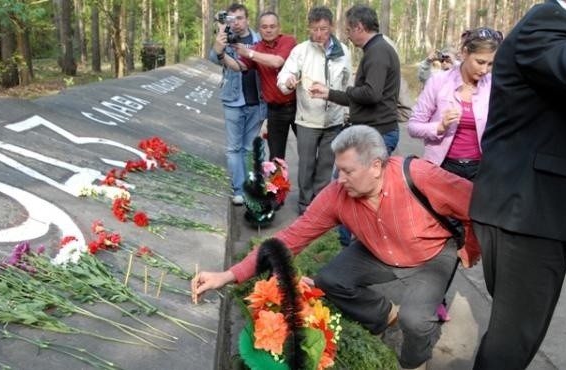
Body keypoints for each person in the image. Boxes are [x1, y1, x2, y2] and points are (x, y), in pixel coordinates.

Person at [193, 125, 481, 370]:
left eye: (347, 171)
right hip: (378, 251)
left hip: (429, 256)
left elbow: (477, 205)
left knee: (416, 321)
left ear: (376, 166)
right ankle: (383, 314)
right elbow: (289, 238)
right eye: (338, 170)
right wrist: (227, 275)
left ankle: (414, 361)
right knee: (329, 280)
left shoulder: (418, 175)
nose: (340, 179)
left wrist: (471, 248)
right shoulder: (337, 195)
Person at [469, 1, 566, 369]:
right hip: (528, 210)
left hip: (533, 211)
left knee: (514, 336)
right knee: (511, 345)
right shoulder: (547, 22)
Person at [276, 6, 352, 215]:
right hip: (307, 119)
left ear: (332, 26)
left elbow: (348, 83)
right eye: (315, 29)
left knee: (326, 166)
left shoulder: (344, 51)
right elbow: (283, 77)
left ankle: (319, 207)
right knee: (307, 165)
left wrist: (347, 113)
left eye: (324, 29)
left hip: (334, 120)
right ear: (309, 28)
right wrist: (288, 82)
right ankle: (304, 206)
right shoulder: (300, 51)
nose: (319, 34)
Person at [409, 27, 503, 180]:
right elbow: (413, 127)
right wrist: (439, 127)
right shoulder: (438, 82)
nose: (485, 70)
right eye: (480, 62)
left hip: (482, 171)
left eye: (491, 64)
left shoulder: (494, 85)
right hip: (442, 168)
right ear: (465, 53)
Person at [308, 4, 401, 154]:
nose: (348, 36)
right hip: (370, 131)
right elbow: (360, 98)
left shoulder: (378, 52)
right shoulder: (375, 49)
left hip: (377, 133)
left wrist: (350, 90)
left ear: (359, 27)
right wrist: (328, 93)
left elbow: (371, 94)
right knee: (345, 174)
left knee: (353, 176)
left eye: (349, 31)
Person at [220, 12, 297, 161]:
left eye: (272, 26)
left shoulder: (288, 41)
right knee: (276, 157)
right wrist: (221, 54)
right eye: (264, 27)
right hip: (274, 110)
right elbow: (238, 66)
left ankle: (311, 184)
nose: (268, 30)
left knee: (307, 152)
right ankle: (278, 184)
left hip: (297, 106)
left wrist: (248, 53)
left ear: (279, 27)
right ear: (259, 29)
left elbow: (277, 62)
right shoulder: (257, 48)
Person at [209, 3, 266, 206]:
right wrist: (219, 42)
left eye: (240, 18)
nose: (237, 23)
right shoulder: (225, 37)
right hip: (233, 99)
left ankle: (254, 187)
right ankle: (239, 190)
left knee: (250, 147)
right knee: (234, 148)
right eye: (232, 20)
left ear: (247, 19)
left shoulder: (259, 39)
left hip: (257, 100)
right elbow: (213, 58)